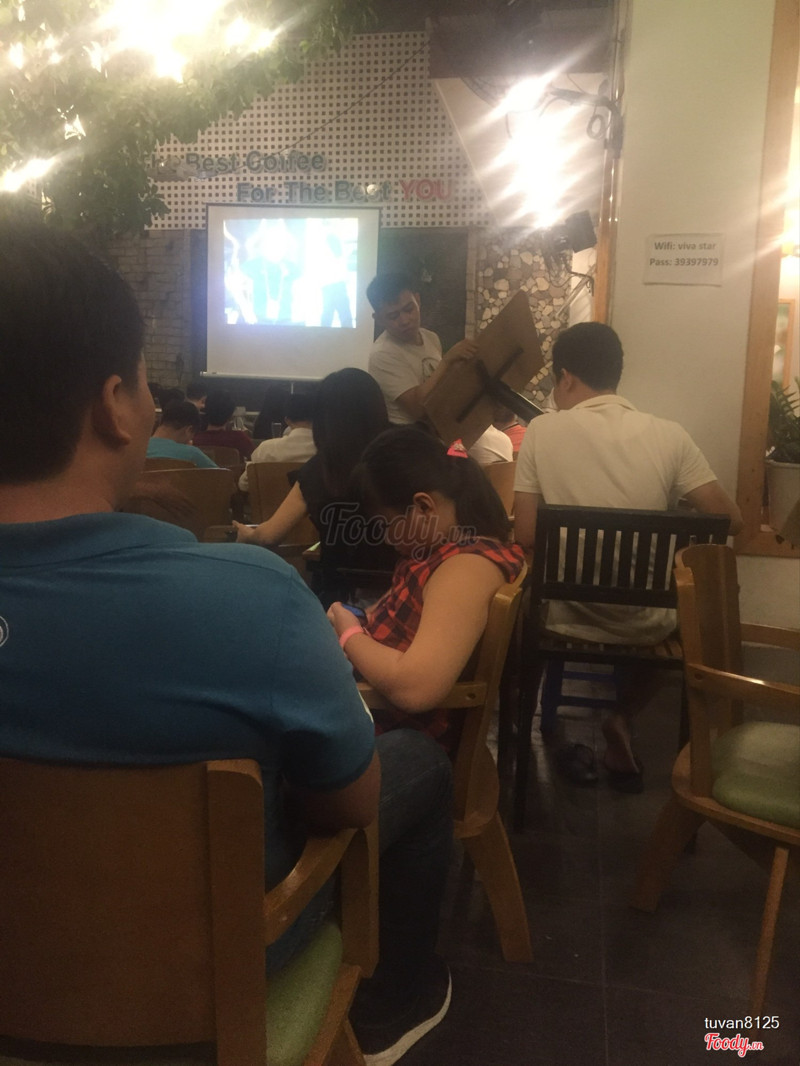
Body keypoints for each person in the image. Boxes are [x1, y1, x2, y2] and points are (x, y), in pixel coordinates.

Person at [0, 218, 454, 1066]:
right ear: (113, 406)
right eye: (144, 383)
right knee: (420, 766)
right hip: (208, 984)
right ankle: (401, 1002)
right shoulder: (257, 601)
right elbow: (347, 806)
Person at [513, 321, 743, 791]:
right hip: (646, 624)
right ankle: (621, 715)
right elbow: (730, 520)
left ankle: (520, 719)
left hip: (561, 617)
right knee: (677, 619)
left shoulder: (541, 430)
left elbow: (527, 533)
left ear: (566, 377)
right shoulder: (670, 436)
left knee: (520, 604)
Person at [327, 427, 525, 753]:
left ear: (423, 507)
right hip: (377, 720)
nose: (386, 539)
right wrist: (352, 621)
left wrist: (349, 634)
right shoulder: (438, 554)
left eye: (385, 524)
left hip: (396, 738)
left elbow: (416, 689)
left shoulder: (466, 569)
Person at [235, 368, 397, 608]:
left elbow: (269, 535)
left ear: (323, 418)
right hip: (406, 590)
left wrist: (247, 534)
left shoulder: (320, 470)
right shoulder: (402, 456)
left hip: (339, 600)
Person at [366, 272, 476, 426]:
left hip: (443, 424)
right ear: (378, 319)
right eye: (393, 316)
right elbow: (419, 409)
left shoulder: (430, 337)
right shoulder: (382, 354)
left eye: (409, 309)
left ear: (418, 300)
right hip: (410, 434)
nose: (405, 320)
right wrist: (447, 362)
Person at [238, 391, 316, 492]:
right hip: (312, 502)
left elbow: (244, 485)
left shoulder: (266, 449)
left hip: (269, 502)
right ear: (316, 418)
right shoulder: (327, 451)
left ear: (287, 420)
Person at [146, 399, 218, 468]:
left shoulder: (141, 447)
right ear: (189, 430)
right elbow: (220, 474)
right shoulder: (191, 454)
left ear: (161, 422)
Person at [193, 388, 255, 460]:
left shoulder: (194, 440)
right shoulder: (239, 439)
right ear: (231, 416)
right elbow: (256, 458)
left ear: (205, 411)